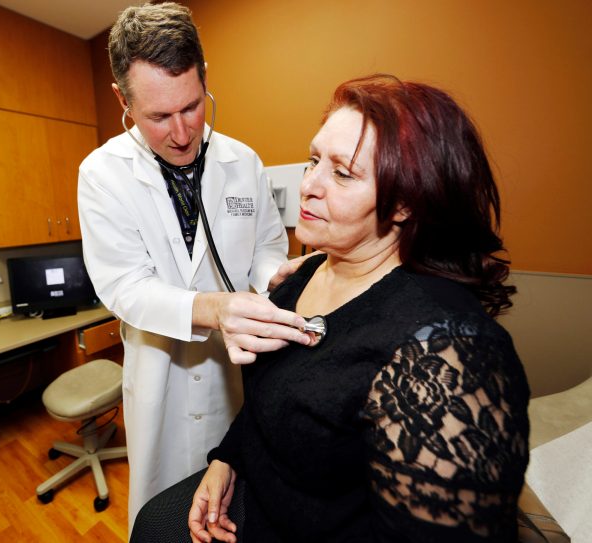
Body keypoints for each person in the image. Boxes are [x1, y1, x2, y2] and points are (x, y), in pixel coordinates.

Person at [130, 75, 531, 543]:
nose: (309, 186)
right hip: (255, 504)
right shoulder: (308, 270)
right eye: (314, 160)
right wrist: (227, 459)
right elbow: (271, 396)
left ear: (405, 202)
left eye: (342, 173)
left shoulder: (447, 355)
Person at [76, 2, 311, 530]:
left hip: (235, 376)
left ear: (205, 79)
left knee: (234, 509)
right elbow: (125, 288)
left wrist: (274, 276)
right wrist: (215, 308)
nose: (182, 133)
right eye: (158, 116)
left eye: (192, 106)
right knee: (163, 519)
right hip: (161, 375)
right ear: (122, 99)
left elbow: (266, 248)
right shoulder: (102, 175)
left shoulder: (242, 162)